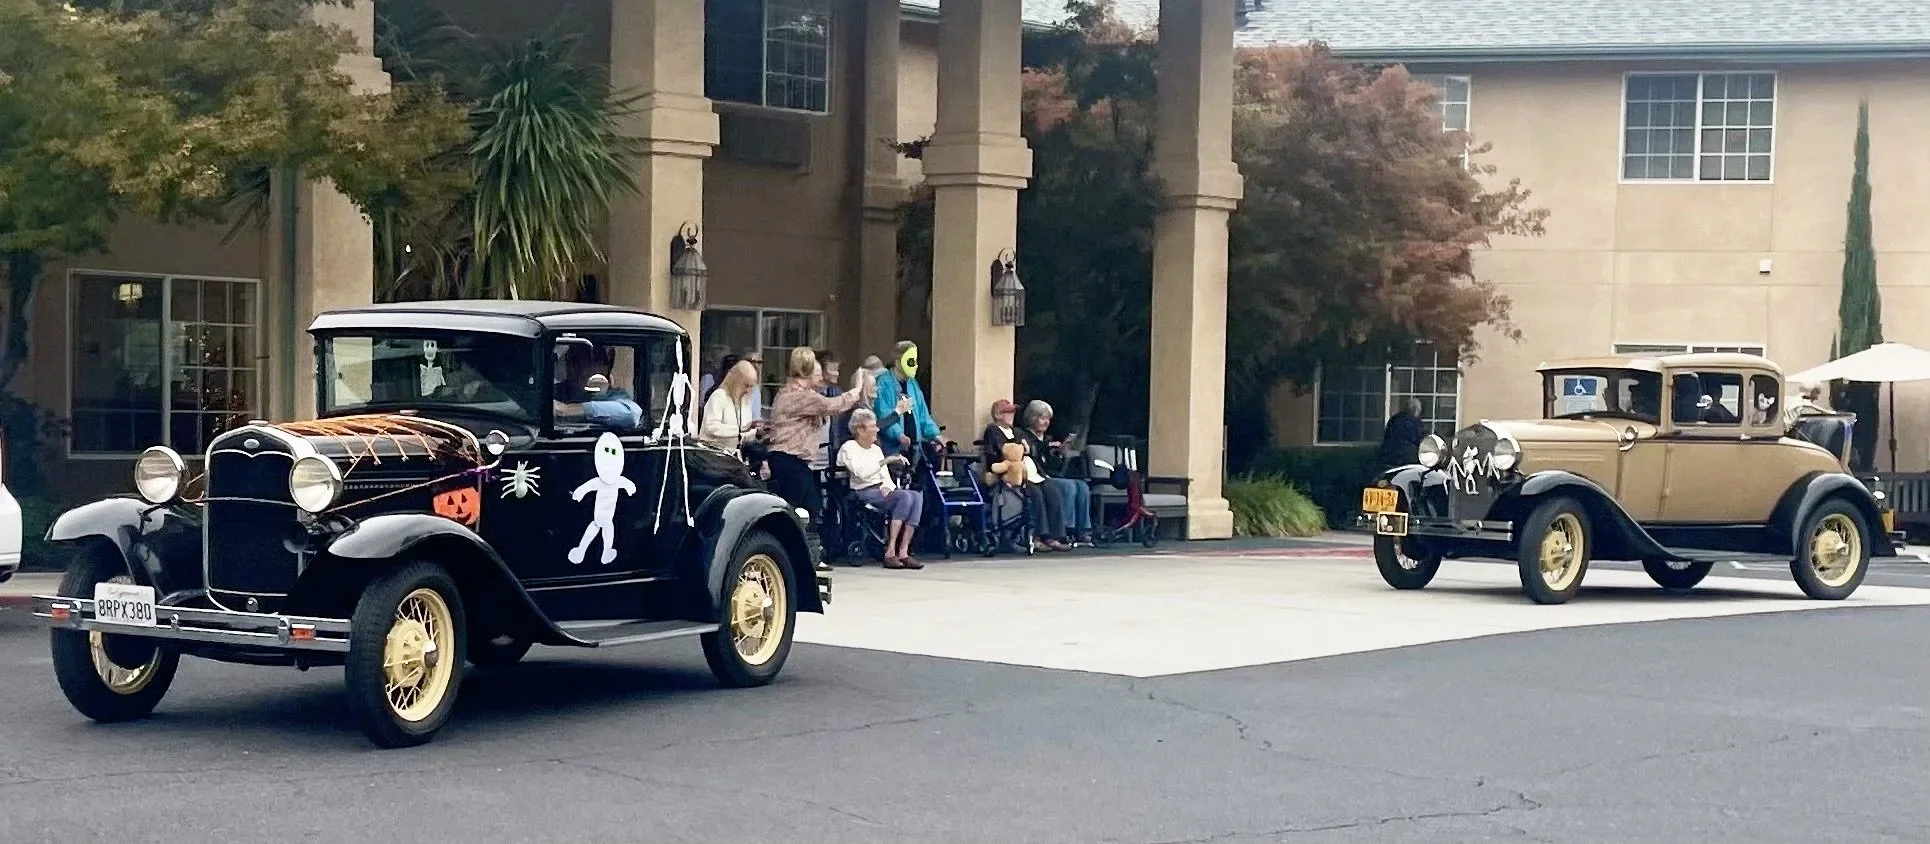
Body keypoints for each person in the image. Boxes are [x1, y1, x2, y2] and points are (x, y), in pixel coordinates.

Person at [767, 346, 872, 516]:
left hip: (790, 461)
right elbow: (833, 405)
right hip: (791, 460)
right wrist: (858, 388)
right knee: (805, 511)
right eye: (816, 371)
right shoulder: (802, 397)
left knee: (804, 509)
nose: (821, 375)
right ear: (807, 370)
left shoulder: (787, 392)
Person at [980, 399, 1069, 551]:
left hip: (1030, 471)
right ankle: (1040, 536)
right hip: (1011, 474)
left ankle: (1056, 536)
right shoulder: (993, 430)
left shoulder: (1017, 431)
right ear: (997, 415)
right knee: (1035, 493)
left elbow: (1031, 449)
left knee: (1051, 490)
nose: (1012, 415)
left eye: (1013, 412)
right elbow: (1000, 452)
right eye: (1008, 412)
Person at [839, 408, 923, 569]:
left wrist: (887, 487)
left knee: (916, 496)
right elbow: (861, 473)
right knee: (904, 497)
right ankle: (890, 551)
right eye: (872, 426)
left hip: (880, 491)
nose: (877, 429)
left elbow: (886, 477)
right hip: (863, 491)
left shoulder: (876, 449)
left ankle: (904, 552)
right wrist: (885, 462)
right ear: (860, 430)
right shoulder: (849, 448)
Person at [1019, 399, 1092, 546]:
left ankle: (1083, 530)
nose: (1046, 422)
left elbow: (1053, 466)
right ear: (1032, 419)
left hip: (1049, 475)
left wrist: (1060, 453)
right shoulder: (1025, 437)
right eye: (1042, 418)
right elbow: (1034, 461)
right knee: (1068, 487)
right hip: (1038, 478)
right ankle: (1067, 529)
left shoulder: (1046, 440)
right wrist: (1046, 448)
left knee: (1081, 485)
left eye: (1048, 419)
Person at [873, 340, 941, 458]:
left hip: (914, 447)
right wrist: (899, 434)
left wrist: (934, 434)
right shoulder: (883, 383)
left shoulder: (913, 384)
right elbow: (883, 415)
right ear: (897, 362)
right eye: (911, 362)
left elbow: (923, 414)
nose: (915, 366)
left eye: (915, 362)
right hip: (892, 448)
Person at [553, 344, 643, 431]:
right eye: (572, 362)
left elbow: (632, 414)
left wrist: (568, 410)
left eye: (584, 363)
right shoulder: (556, 391)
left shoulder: (614, 395)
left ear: (604, 368)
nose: (575, 369)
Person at [698, 359, 763, 456]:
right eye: (746, 386)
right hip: (713, 457)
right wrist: (741, 430)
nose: (748, 391)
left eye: (751, 387)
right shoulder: (719, 396)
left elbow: (744, 433)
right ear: (736, 381)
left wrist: (756, 432)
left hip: (734, 458)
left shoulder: (745, 401)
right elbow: (711, 428)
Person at [1376, 398, 1423, 471]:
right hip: (1407, 458)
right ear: (1416, 411)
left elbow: (1387, 436)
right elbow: (1417, 440)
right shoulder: (1415, 423)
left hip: (1388, 455)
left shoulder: (1394, 419)